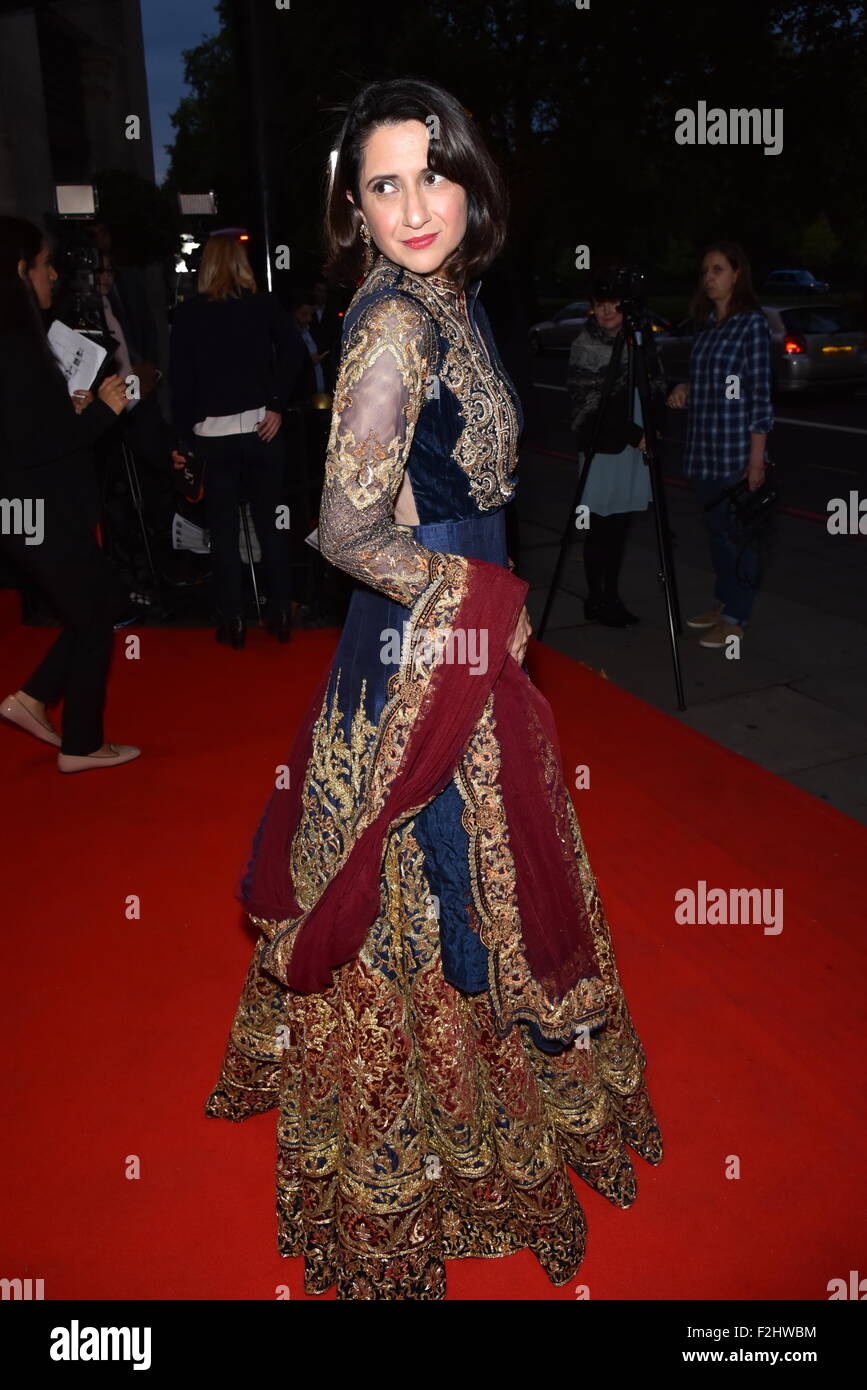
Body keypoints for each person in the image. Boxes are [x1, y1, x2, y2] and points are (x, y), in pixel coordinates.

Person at [204, 78, 663, 1301]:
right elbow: (345, 525)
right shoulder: (396, 324)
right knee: (440, 878)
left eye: (433, 173)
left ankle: (488, 1123)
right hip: (427, 650)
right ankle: (419, 1159)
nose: (416, 205)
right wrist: (472, 602)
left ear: (470, 178)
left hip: (459, 637)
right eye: (383, 184)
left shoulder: (447, 298)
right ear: (351, 208)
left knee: (493, 869)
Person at [0, 216, 140, 773]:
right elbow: (32, 444)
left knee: (95, 602)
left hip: (25, 505)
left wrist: (72, 409)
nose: (52, 274)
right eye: (42, 264)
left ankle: (35, 702)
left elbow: (30, 429)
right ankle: (79, 742)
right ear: (18, 269)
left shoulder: (16, 339)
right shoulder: (13, 344)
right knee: (98, 604)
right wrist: (103, 411)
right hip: (29, 506)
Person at [168, 234, 308, 648]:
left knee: (223, 533)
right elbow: (294, 351)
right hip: (260, 431)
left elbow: (180, 383)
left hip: (213, 437)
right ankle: (281, 612)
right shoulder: (262, 305)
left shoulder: (189, 314)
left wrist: (183, 438)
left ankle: (233, 621)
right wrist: (277, 403)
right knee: (271, 526)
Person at [667, 241, 773, 649]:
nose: (709, 278)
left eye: (718, 270)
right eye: (705, 270)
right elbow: (720, 384)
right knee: (717, 538)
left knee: (740, 539)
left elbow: (759, 394)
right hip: (703, 452)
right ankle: (725, 601)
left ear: (737, 275)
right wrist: (687, 387)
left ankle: (736, 616)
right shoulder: (709, 325)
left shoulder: (752, 324)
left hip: (735, 453)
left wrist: (757, 459)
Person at [567, 275, 667, 626]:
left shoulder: (637, 340)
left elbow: (653, 383)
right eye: (600, 303)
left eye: (615, 303)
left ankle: (612, 595)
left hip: (633, 445)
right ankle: (597, 600)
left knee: (620, 525)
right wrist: (635, 434)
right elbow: (588, 407)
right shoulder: (585, 345)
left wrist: (654, 424)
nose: (607, 310)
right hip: (604, 447)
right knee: (600, 527)